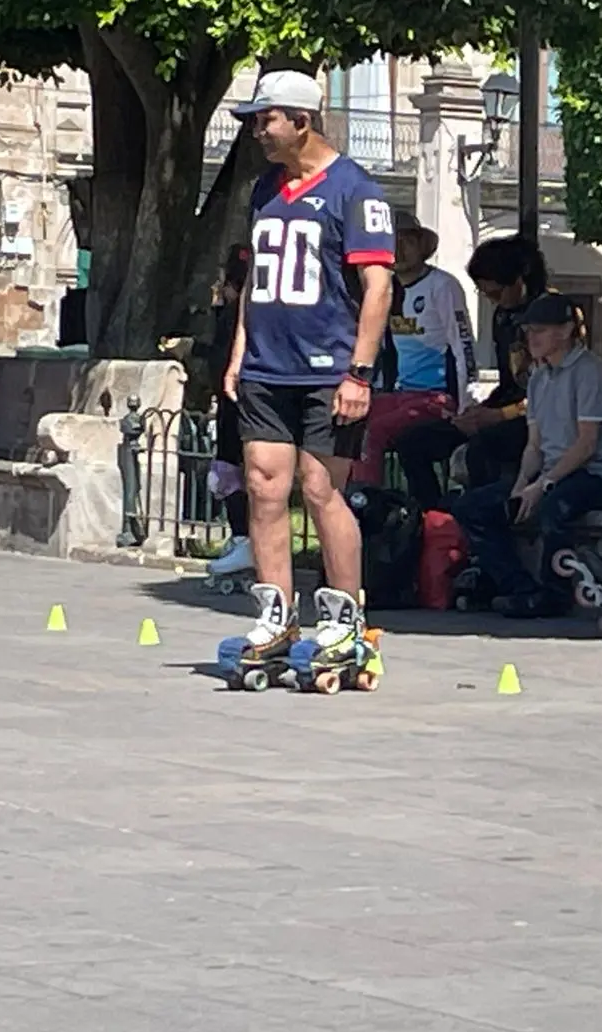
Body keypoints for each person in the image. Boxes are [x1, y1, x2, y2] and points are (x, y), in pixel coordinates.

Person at [219, 70, 396, 670]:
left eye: (266, 120)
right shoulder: (265, 189)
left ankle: (346, 617)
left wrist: (359, 373)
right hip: (268, 366)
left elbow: (377, 288)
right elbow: (255, 280)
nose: (259, 133)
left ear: (301, 119)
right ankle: (276, 614)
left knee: (322, 490)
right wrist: (241, 351)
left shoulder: (355, 190)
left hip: (329, 370)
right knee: (264, 486)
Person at [451, 292, 602, 618]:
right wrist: (521, 484)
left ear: (564, 331)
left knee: (553, 509)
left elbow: (587, 445)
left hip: (595, 475)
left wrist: (543, 484)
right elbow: (534, 445)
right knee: (472, 507)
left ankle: (554, 594)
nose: (530, 337)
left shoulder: (589, 372)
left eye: (540, 330)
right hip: (549, 472)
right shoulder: (538, 376)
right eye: (528, 330)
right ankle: (519, 587)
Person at [394, 234, 546, 507]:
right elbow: (509, 380)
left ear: (520, 279)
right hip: (506, 405)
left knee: (482, 448)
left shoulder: (548, 314)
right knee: (412, 443)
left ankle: (485, 516)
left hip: (541, 420)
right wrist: (477, 411)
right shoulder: (503, 315)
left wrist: (497, 416)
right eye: (484, 294)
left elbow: (547, 395)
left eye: (497, 293)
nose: (492, 301)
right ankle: (435, 519)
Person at [350, 212, 478, 491]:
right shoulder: (385, 290)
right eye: (393, 242)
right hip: (399, 393)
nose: (400, 249)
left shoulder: (442, 286)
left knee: (378, 431)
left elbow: (463, 344)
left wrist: (466, 401)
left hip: (437, 395)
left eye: (408, 241)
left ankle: (370, 503)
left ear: (421, 246)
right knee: (351, 420)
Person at [204, 244, 256, 588]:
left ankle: (243, 538)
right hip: (251, 398)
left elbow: (219, 357)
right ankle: (246, 541)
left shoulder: (234, 313)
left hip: (235, 401)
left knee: (229, 471)